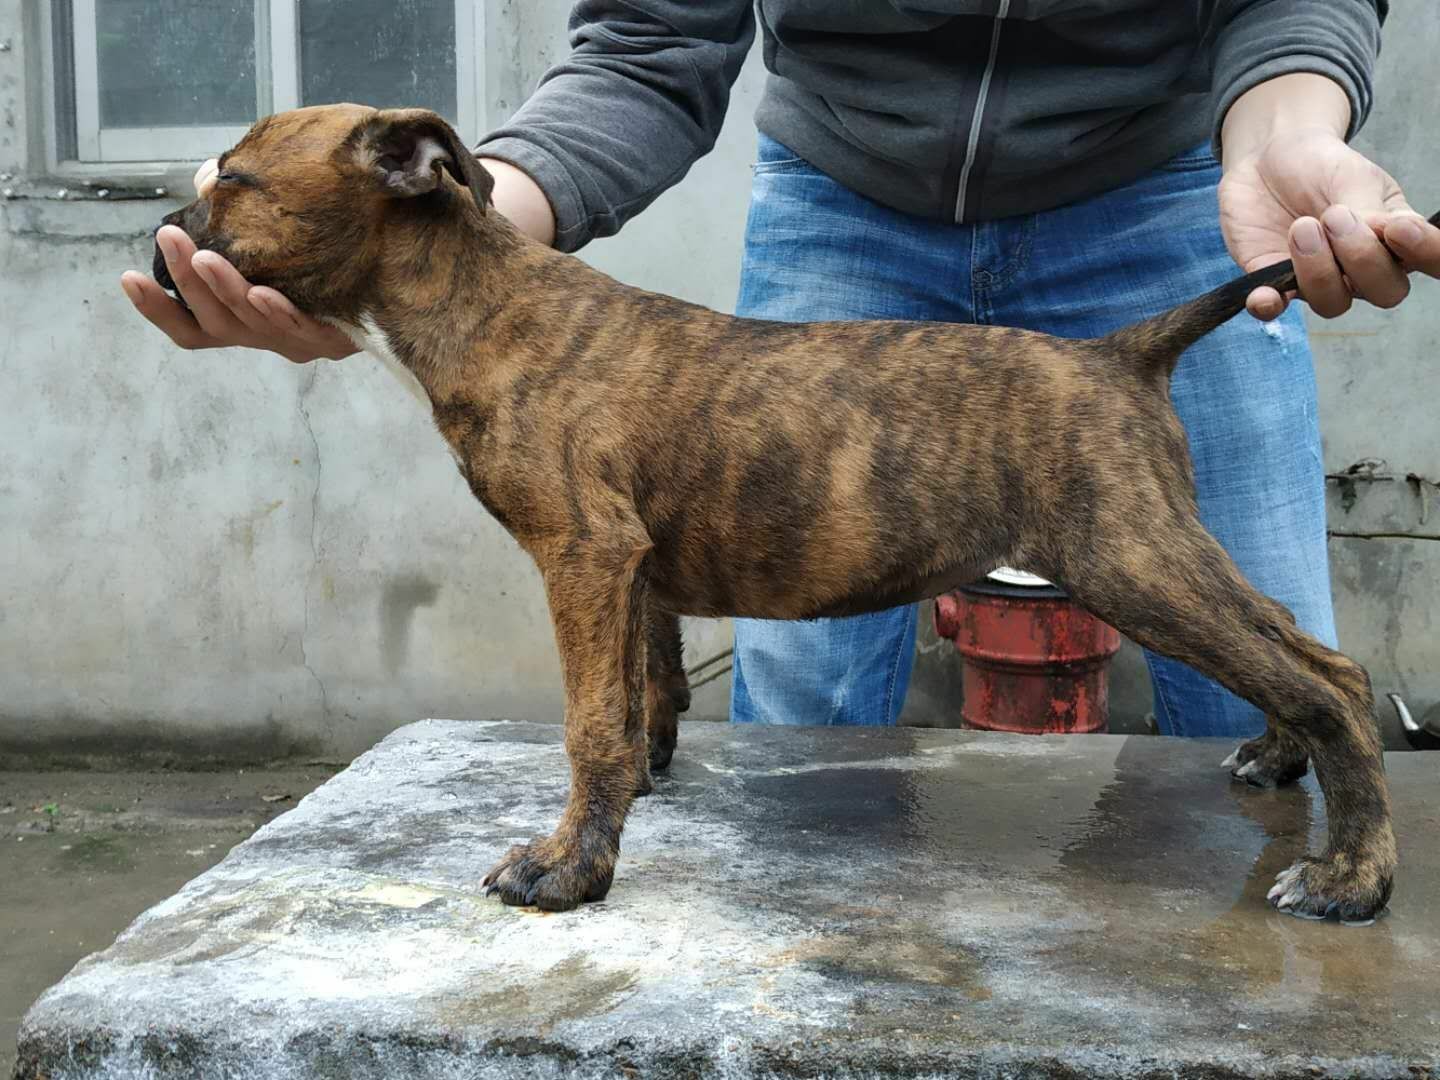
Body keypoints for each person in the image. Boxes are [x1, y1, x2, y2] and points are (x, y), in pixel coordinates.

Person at [122, 2, 1440, 740]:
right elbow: (648, 42)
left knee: (1251, 669)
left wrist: (1287, 129)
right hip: (850, 212)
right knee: (802, 719)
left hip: (1161, 201)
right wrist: (443, 233)